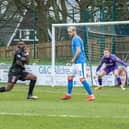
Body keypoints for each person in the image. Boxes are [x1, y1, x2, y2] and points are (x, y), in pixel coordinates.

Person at [61, 26, 95, 101]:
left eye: (70, 32)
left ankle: (91, 95)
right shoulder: (75, 38)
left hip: (80, 62)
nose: (69, 33)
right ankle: (68, 95)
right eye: (68, 32)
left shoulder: (76, 38)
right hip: (76, 62)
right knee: (70, 77)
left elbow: (78, 50)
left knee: (82, 79)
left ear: (74, 31)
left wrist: (73, 59)